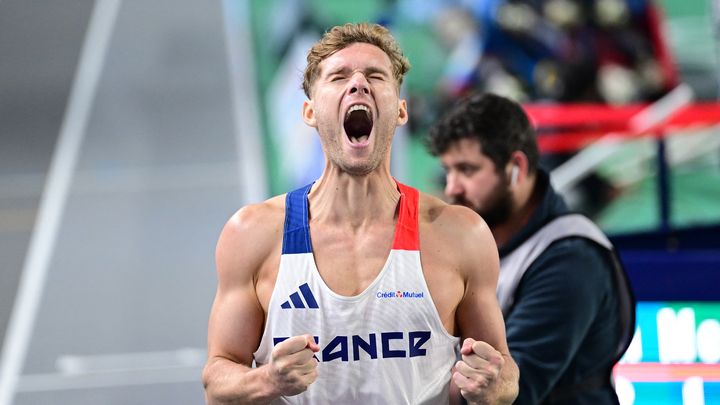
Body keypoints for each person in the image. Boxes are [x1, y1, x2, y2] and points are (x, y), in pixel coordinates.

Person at [202, 23, 519, 405]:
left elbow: (503, 373)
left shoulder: (460, 234)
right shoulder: (253, 234)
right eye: (339, 77)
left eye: (375, 75)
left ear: (400, 111)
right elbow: (217, 381)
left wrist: (493, 385)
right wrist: (268, 380)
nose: (358, 84)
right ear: (310, 111)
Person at [426, 92, 636, 405]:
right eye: (448, 171)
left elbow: (513, 390)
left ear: (516, 168)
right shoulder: (484, 245)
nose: (451, 188)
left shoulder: (571, 259)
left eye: (467, 170)